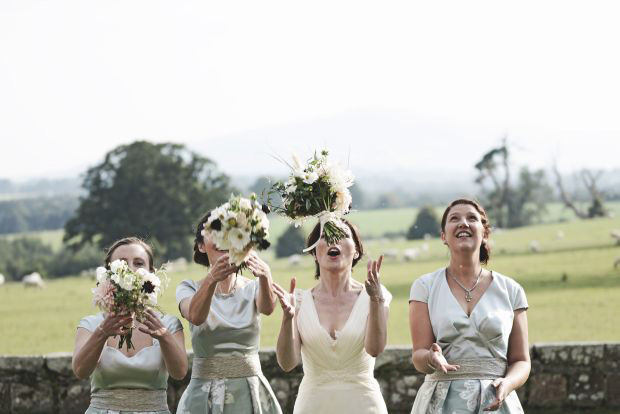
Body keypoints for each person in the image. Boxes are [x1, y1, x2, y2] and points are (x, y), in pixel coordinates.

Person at [409, 199, 530, 413]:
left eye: (472, 218)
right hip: (441, 403)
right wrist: (430, 357)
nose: (463, 223)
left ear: (484, 233)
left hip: (494, 403)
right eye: (454, 218)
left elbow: (521, 360)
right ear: (443, 236)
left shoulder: (511, 290)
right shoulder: (424, 287)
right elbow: (419, 356)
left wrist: (508, 384)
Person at [273, 219, 391, 414]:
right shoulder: (299, 301)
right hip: (312, 406)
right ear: (313, 252)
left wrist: (376, 299)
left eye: (343, 235)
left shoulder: (377, 295)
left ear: (357, 251)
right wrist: (288, 318)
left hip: (364, 405)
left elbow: (375, 349)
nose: (333, 239)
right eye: (325, 236)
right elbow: (287, 364)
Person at [175, 212, 282, 414]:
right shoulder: (187, 288)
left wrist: (266, 276)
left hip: (249, 391)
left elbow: (268, 308)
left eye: (228, 232)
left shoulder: (253, 287)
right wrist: (211, 279)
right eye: (214, 231)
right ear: (200, 245)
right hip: (204, 394)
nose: (222, 237)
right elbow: (196, 316)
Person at [72, 237, 188, 414]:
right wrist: (102, 333)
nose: (131, 269)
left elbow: (179, 373)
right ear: (108, 273)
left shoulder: (168, 324)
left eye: (139, 263)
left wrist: (164, 336)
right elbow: (80, 371)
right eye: (122, 263)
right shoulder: (90, 324)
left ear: (152, 273)